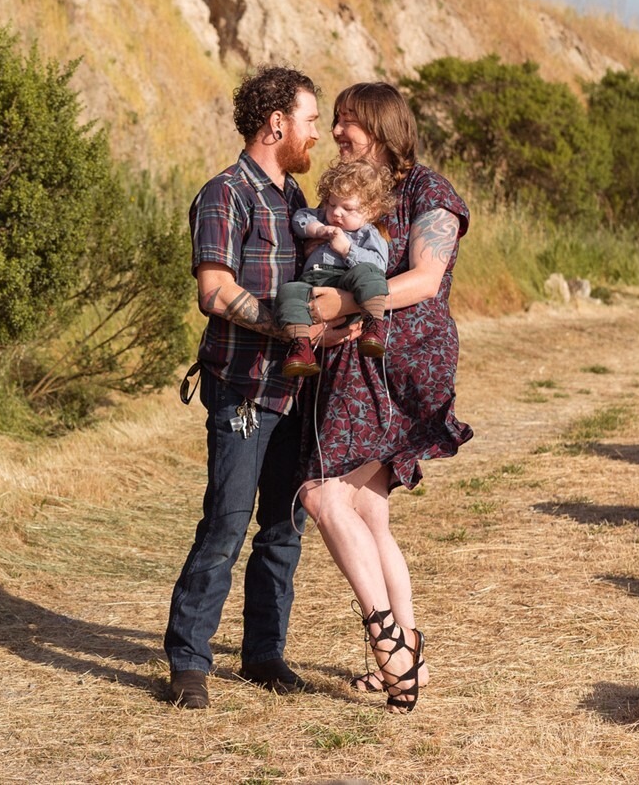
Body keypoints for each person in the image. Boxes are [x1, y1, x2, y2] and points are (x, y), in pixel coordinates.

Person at [164, 64, 338, 710]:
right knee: (227, 522)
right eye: (310, 120)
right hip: (241, 389)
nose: (316, 133)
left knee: (284, 526)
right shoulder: (224, 194)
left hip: (295, 392)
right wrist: (280, 322)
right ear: (276, 123)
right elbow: (214, 290)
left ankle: (265, 654)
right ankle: (188, 660)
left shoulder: (297, 203)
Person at [299, 81, 473, 714]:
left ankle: (390, 646)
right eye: (336, 121)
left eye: (349, 121)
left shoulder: (430, 192)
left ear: (382, 125)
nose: (339, 132)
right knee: (369, 509)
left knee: (321, 493)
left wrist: (347, 301)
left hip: (402, 361)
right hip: (361, 359)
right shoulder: (353, 194)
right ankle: (412, 657)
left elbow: (427, 278)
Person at [275, 158, 394, 377]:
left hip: (345, 280)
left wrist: (347, 249)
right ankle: (301, 348)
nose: (336, 213)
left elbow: (379, 265)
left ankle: (373, 327)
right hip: (313, 280)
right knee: (288, 292)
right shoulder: (323, 221)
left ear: (371, 210)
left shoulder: (368, 233)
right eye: (331, 204)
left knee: (369, 275)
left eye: (347, 208)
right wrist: (319, 230)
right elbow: (299, 218)